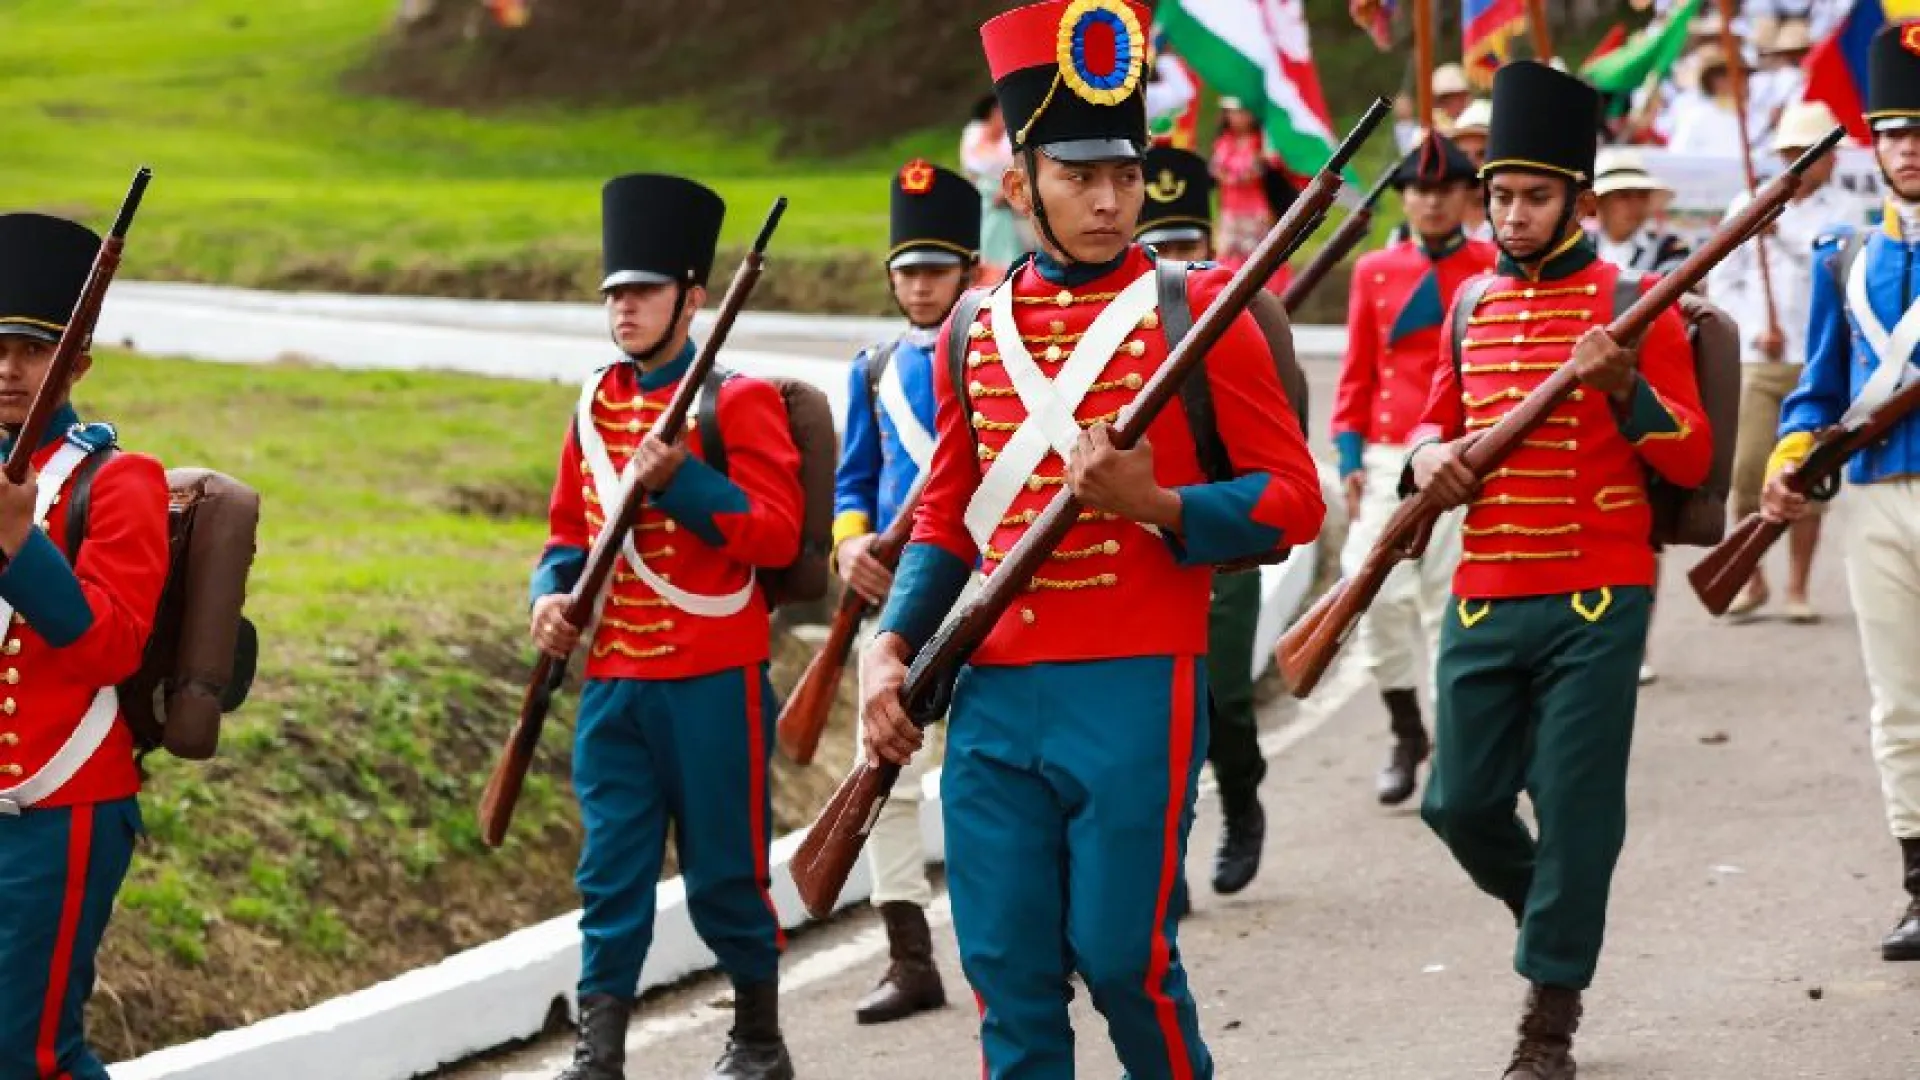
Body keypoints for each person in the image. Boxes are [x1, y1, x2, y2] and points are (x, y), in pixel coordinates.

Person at [860, 2, 1326, 1074]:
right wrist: (891, 643)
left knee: (1124, 963)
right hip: (989, 696)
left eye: (1126, 174)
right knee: (1008, 976)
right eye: (1080, 177)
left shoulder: (1201, 311)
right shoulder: (972, 326)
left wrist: (1159, 505)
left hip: (1136, 685)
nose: (1111, 200)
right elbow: (948, 514)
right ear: (1020, 186)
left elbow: (1293, 501)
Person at [1406, 61, 1711, 1079]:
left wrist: (1625, 388)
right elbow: (1435, 422)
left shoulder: (1630, 304)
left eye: (1535, 197)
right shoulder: (1469, 304)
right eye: (1501, 196)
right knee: (1456, 804)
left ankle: (1550, 1015)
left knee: (1577, 808)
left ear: (1578, 200)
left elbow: (1692, 457)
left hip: (1597, 594)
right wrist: (1423, 457)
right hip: (1485, 594)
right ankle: (1557, 916)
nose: (1513, 214)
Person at [529, 174, 804, 1080]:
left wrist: (682, 480)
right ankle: (599, 1051)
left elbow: (776, 534)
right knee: (610, 872)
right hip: (614, 680)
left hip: (714, 678)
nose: (625, 308)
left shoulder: (736, 402)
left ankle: (758, 1039)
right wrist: (549, 594)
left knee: (726, 870)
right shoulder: (593, 404)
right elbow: (568, 531)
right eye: (615, 292)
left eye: (644, 292)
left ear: (692, 298)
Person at [0, 213, 170, 1080]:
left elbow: (113, 646)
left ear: (77, 365)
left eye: (33, 350)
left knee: (31, 1055)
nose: (7, 369)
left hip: (57, 807)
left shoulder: (117, 479)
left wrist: (18, 545)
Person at [1764, 24, 1920, 965]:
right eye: (1896, 131)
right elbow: (1818, 390)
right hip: (1874, 498)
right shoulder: (1844, 257)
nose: (1910, 147)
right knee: (1900, 703)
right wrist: (1791, 459)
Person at [833, 159, 981, 1025]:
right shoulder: (873, 369)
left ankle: (1018, 939)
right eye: (908, 271)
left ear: (967, 269)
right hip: (894, 598)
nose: (920, 285)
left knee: (980, 776)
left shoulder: (991, 349)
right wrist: (849, 546)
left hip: (979, 589)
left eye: (936, 269)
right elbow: (854, 481)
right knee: (881, 775)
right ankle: (909, 955)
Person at [1333, 134, 1496, 807]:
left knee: (1450, 606)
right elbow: (1358, 370)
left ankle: (1456, 745)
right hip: (1388, 454)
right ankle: (1407, 730)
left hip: (1465, 455)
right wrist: (1348, 456)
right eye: (1420, 191)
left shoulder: (1493, 266)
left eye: (1445, 190)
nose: (1432, 202)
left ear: (1467, 196)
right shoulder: (1374, 269)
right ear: (1405, 198)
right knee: (1371, 594)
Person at [1136, 144, 1279, 897]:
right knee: (1156, 718)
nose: (1175, 259)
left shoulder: (1238, 317)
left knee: (1221, 698)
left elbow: (1279, 454)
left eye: (1188, 243)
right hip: (1136, 543)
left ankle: (1243, 798)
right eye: (1160, 245)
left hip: (1218, 541)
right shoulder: (1117, 327)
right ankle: (1170, 862)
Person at [1710, 100, 1852, 623]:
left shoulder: (1844, 211)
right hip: (1760, 361)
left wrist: (1779, 235)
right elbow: (1722, 280)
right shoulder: (1749, 203)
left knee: (1808, 478)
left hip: (1816, 362)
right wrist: (1754, 329)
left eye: (1812, 152)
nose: (1804, 161)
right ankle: (1751, 578)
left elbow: (1831, 268)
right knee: (1747, 473)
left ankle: (1798, 586)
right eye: (1795, 152)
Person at [963, 93, 1032, 278]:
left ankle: (1009, 270)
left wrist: (1005, 190)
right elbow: (969, 169)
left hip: (1008, 194)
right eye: (999, 112)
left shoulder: (1011, 137)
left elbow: (1020, 164)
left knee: (1007, 233)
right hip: (983, 195)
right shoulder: (973, 134)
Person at [1592, 149, 1691, 276]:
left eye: (1643, 195)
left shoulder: (1669, 248)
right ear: (1600, 202)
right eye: (1624, 195)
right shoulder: (1575, 248)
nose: (1636, 205)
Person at [1210, 97, 1273, 275]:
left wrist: (1232, 176)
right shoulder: (1223, 141)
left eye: (1242, 112)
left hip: (1255, 212)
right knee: (1227, 258)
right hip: (1230, 211)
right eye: (1233, 112)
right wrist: (1232, 176)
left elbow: (1255, 171)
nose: (1237, 117)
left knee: (1257, 260)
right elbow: (1216, 170)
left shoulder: (1261, 141)